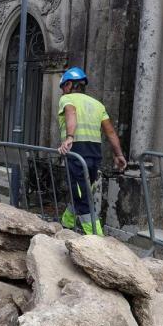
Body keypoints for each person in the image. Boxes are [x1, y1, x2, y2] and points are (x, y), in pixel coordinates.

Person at [56, 67, 127, 235]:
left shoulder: (67, 99)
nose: (62, 92)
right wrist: (119, 155)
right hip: (95, 154)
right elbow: (110, 131)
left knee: (83, 198)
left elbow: (71, 113)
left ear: (68, 84)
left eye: (62, 87)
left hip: (77, 152)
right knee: (81, 190)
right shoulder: (97, 104)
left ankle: (96, 238)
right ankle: (66, 223)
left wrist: (70, 137)